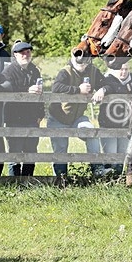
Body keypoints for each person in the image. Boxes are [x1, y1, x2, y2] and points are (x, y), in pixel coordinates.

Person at [47, 49, 116, 178]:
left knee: (91, 132)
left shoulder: (93, 71)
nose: (82, 66)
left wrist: (103, 90)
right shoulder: (65, 71)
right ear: (73, 59)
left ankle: (97, 169)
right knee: (61, 150)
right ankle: (61, 179)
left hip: (78, 118)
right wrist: (78, 89)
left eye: (85, 63)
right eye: (79, 63)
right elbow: (56, 87)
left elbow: (109, 84)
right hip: (58, 118)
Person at [98, 63, 132, 175]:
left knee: (123, 154)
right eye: (120, 69)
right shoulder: (107, 79)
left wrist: (130, 87)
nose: (123, 72)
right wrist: (106, 89)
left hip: (126, 124)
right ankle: (108, 179)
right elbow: (108, 87)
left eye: (125, 69)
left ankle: (120, 179)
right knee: (110, 155)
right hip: (109, 123)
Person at [2, 41, 45, 177]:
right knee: (15, 153)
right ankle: (14, 183)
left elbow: (40, 94)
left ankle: (28, 181)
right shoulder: (8, 71)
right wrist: (27, 90)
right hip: (14, 117)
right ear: (15, 55)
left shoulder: (34, 70)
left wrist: (41, 113)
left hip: (32, 118)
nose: (26, 55)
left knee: (31, 152)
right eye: (22, 52)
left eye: (28, 52)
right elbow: (7, 90)